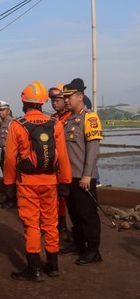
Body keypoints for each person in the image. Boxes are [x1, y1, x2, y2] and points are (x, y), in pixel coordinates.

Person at [3, 81, 72, 281]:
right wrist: (65, 182)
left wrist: (8, 184)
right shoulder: (55, 123)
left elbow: (9, 158)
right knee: (51, 223)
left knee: (32, 225)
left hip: (27, 183)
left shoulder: (17, 125)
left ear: (24, 101)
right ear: (43, 102)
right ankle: (53, 265)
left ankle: (34, 270)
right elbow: (63, 156)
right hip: (50, 182)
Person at [59, 78, 104, 265]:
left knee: (88, 215)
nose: (66, 100)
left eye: (69, 97)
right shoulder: (68, 120)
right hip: (70, 177)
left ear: (80, 97)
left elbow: (93, 149)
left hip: (84, 178)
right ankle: (79, 245)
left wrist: (87, 174)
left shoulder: (90, 118)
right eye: (65, 97)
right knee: (75, 214)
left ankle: (93, 251)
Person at [49, 84, 72, 234]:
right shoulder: (53, 119)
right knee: (58, 197)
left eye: (58, 100)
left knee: (74, 201)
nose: (55, 103)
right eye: (52, 100)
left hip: (71, 162)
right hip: (57, 162)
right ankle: (60, 223)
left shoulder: (72, 117)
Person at [0, 100, 16, 209]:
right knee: (6, 176)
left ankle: (12, 199)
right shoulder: (1, 122)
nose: (0, 112)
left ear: (8, 110)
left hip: (10, 152)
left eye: (2, 110)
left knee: (11, 176)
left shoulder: (12, 122)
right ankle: (8, 198)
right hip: (3, 151)